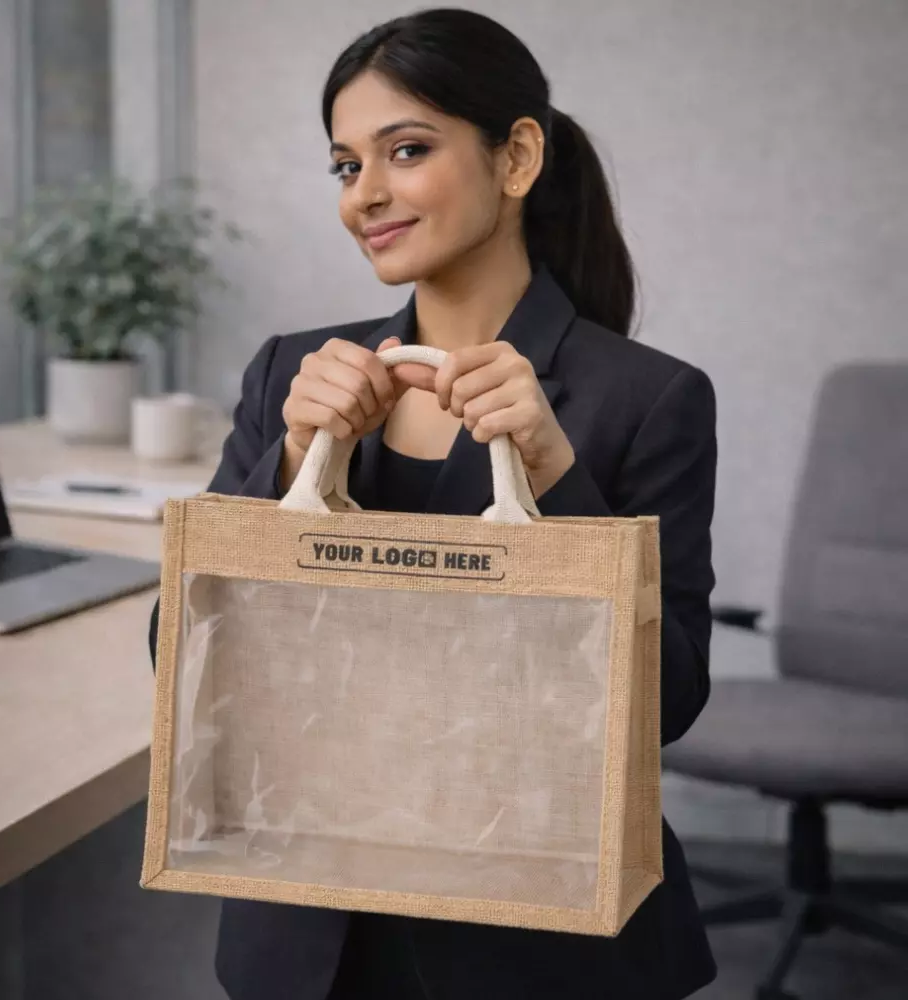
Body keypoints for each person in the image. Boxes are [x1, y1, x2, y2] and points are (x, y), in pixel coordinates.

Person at [149, 7, 718, 998]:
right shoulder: (291, 372)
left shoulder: (646, 398)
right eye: (343, 166)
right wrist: (287, 463)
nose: (365, 194)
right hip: (309, 933)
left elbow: (665, 704)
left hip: (538, 948)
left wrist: (553, 474)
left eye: (404, 150)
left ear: (517, 157)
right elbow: (180, 655)